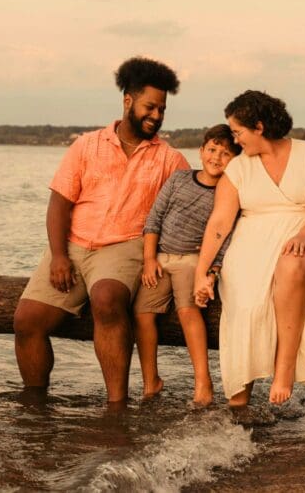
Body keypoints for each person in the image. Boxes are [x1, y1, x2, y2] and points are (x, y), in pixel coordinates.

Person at [13, 57, 189, 405]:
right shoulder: (86, 146)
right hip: (73, 245)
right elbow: (59, 204)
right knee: (26, 320)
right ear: (128, 101)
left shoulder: (169, 160)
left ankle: (116, 406)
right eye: (149, 106)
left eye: (162, 109)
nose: (156, 115)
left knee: (107, 299)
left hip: (124, 247)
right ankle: (35, 406)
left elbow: (196, 201)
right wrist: (60, 256)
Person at [194, 90, 305, 406]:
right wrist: (201, 272)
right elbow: (219, 224)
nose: (234, 140)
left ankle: (284, 369)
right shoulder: (238, 168)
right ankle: (238, 398)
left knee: (292, 262)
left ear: (259, 127)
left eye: (237, 131)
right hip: (252, 243)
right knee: (246, 304)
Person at [133, 124, 240, 406]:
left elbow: (225, 238)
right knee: (143, 313)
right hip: (161, 258)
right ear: (201, 150)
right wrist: (148, 260)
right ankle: (150, 380)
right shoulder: (179, 179)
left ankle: (203, 382)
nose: (216, 158)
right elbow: (153, 219)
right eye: (212, 150)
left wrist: (211, 273)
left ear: (235, 160)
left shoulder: (228, 193)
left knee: (187, 311)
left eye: (225, 154)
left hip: (194, 260)